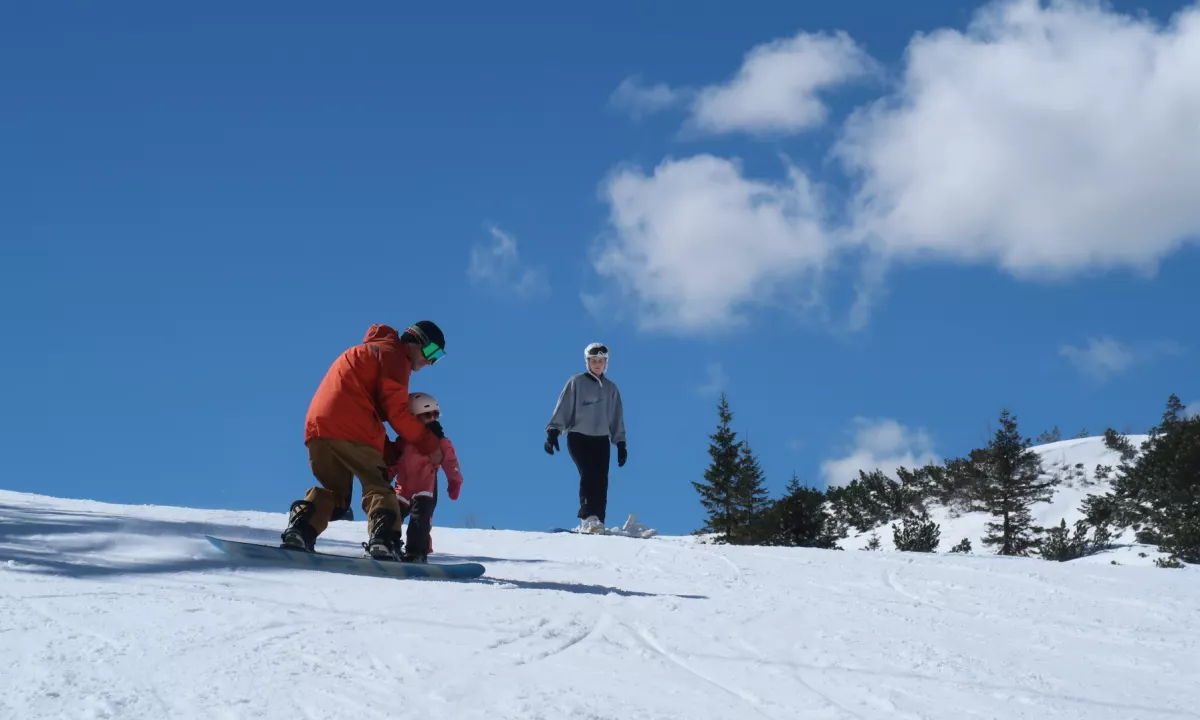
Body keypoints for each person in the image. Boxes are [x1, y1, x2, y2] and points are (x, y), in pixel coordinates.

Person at [280, 321, 448, 561]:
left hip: (319, 428)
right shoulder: (394, 356)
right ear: (414, 341)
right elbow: (396, 412)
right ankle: (384, 541)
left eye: (437, 357)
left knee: (337, 496)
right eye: (431, 352)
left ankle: (300, 530)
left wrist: (392, 452)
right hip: (351, 425)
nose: (430, 362)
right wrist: (429, 444)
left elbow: (367, 417)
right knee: (379, 488)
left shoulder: (369, 352)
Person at [544, 342, 627, 533]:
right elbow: (564, 407)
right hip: (579, 437)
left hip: (601, 440)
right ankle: (587, 517)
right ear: (587, 362)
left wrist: (621, 444)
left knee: (602, 479)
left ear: (606, 363)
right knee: (589, 474)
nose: (597, 364)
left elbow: (616, 417)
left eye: (601, 361)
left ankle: (598, 521)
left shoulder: (611, 388)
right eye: (593, 361)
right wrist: (553, 433)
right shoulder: (577, 382)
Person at [386, 392, 463, 563]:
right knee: (391, 515)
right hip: (402, 488)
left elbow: (451, 462)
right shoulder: (404, 441)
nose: (433, 419)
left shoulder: (440, 441)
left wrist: (454, 481)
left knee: (419, 521)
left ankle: (417, 552)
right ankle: (389, 546)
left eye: (436, 414)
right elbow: (396, 461)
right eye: (427, 415)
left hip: (425, 489)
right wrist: (386, 475)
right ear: (413, 417)